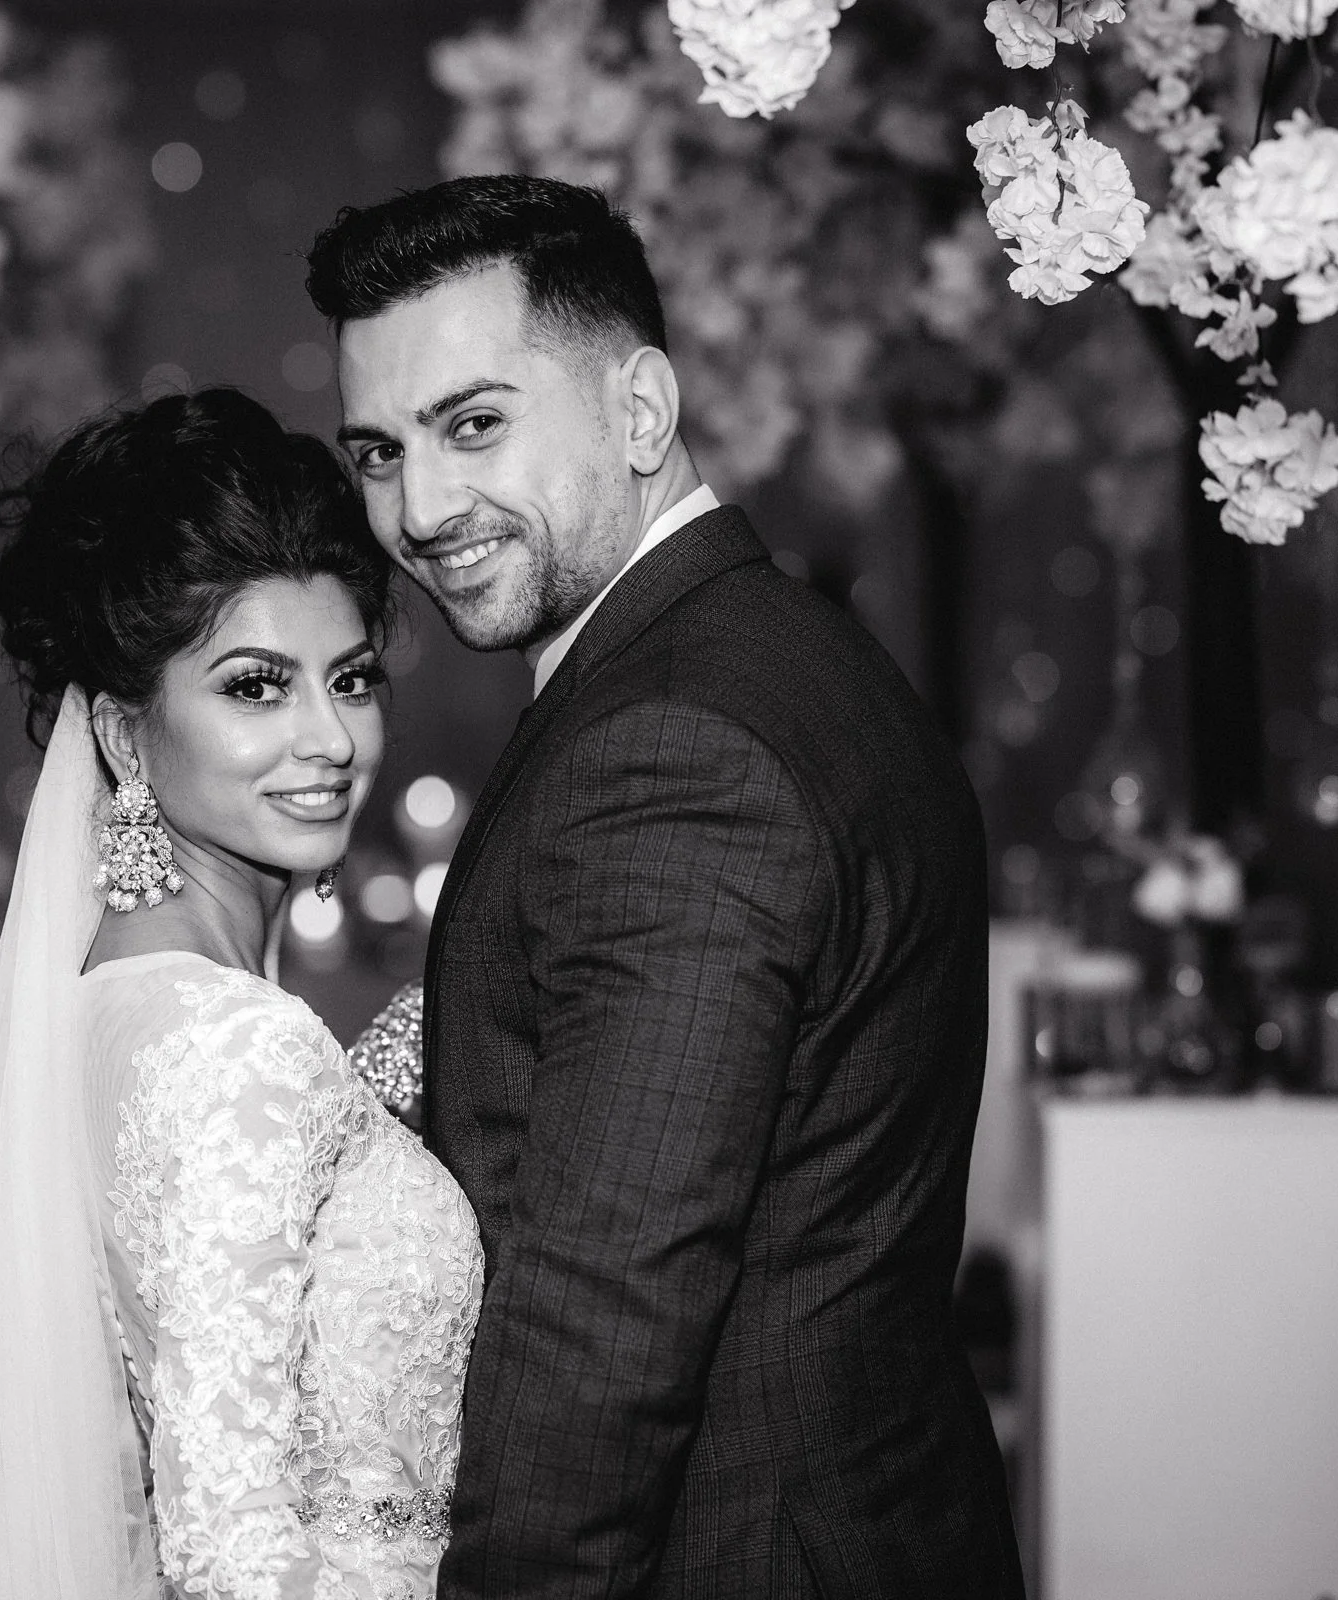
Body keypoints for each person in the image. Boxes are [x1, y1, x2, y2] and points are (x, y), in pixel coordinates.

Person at [308, 175, 1025, 1598]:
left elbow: (603, 1328)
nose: (421, 506)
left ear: (641, 411)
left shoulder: (672, 747)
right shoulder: (773, 655)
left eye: (474, 425)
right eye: (379, 453)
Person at [0, 388, 484, 1599]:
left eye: (354, 677)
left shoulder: (121, 999)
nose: (330, 738)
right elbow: (232, 1554)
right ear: (122, 732)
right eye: (256, 686)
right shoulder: (232, 1048)